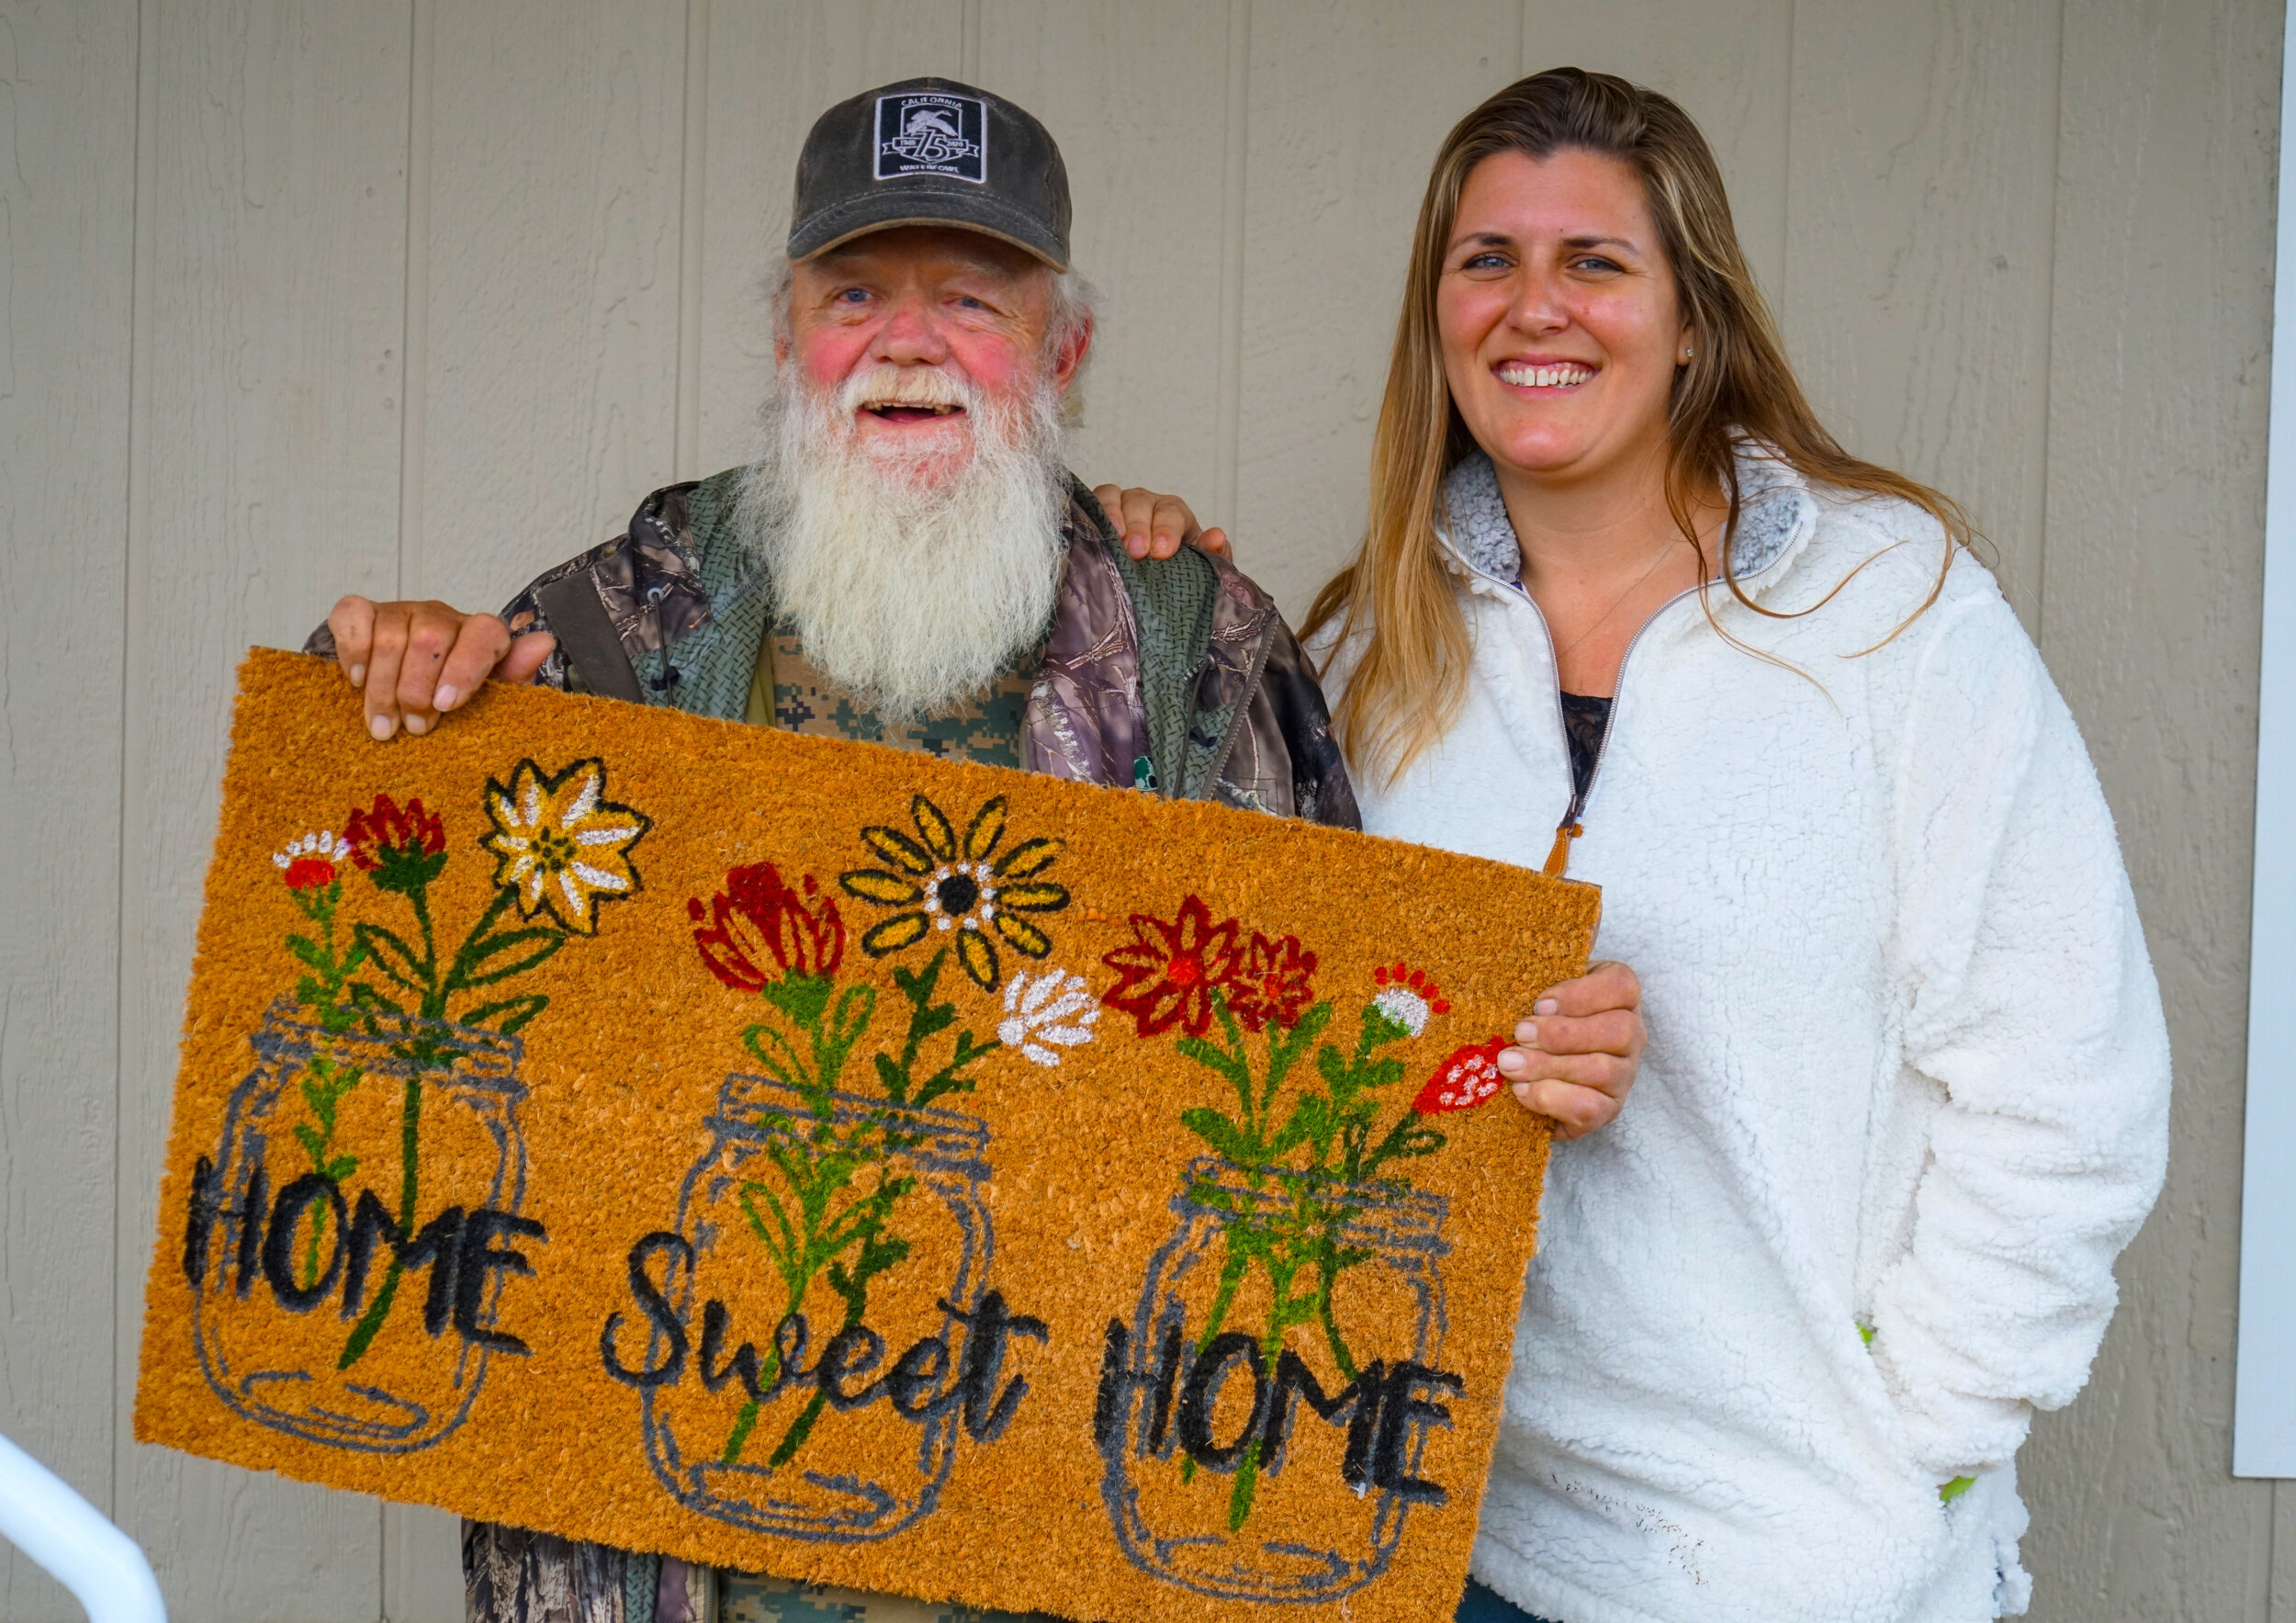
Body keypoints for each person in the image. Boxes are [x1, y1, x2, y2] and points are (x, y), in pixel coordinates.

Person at [310, 76, 1648, 1623]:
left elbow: (1344, 1066)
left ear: (1061, 347)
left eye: (972, 298)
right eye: (856, 291)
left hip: (1066, 1563)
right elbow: (379, 924)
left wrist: (1531, 1053)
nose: (906, 339)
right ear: (786, 332)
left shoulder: (1187, 648)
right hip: (675, 1562)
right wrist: (382, 681)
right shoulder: (625, 625)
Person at [1117, 63, 2169, 1623]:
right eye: (1489, 263)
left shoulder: (1891, 616)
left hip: (1800, 1560)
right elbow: (1265, 1041)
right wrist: (1151, 612)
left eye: (1594, 263)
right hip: (1437, 1531)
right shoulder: (1369, 655)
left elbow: (2067, 1080)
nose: (1536, 307)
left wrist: (1916, 1450)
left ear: (1695, 321)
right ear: (1440, 319)